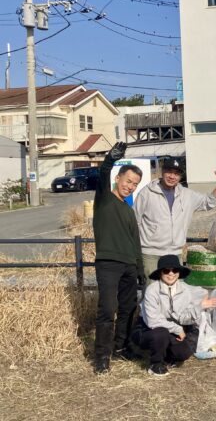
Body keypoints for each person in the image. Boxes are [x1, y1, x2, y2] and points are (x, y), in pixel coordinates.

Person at [92, 142, 144, 374]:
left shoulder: (129, 210)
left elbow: (135, 242)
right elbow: (103, 174)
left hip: (129, 266)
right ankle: (102, 357)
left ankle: (121, 348)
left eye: (134, 184)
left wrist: (139, 269)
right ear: (118, 178)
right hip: (108, 264)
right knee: (107, 309)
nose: (130, 186)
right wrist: (109, 159)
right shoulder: (104, 199)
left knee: (128, 309)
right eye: (128, 181)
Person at [135, 158, 216, 278]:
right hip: (151, 254)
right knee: (152, 288)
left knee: (174, 288)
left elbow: (209, 202)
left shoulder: (187, 195)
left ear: (180, 176)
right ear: (162, 171)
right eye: (169, 172)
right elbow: (135, 221)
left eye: (176, 173)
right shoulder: (146, 193)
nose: (172, 176)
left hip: (175, 254)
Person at [132, 254, 216, 376]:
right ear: (160, 273)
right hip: (149, 329)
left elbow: (183, 317)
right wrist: (178, 329)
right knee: (161, 333)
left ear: (179, 273)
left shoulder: (185, 290)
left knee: (183, 353)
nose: (171, 274)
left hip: (172, 329)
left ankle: (166, 356)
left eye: (175, 270)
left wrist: (200, 306)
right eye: (166, 271)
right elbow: (153, 321)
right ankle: (155, 364)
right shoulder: (152, 290)